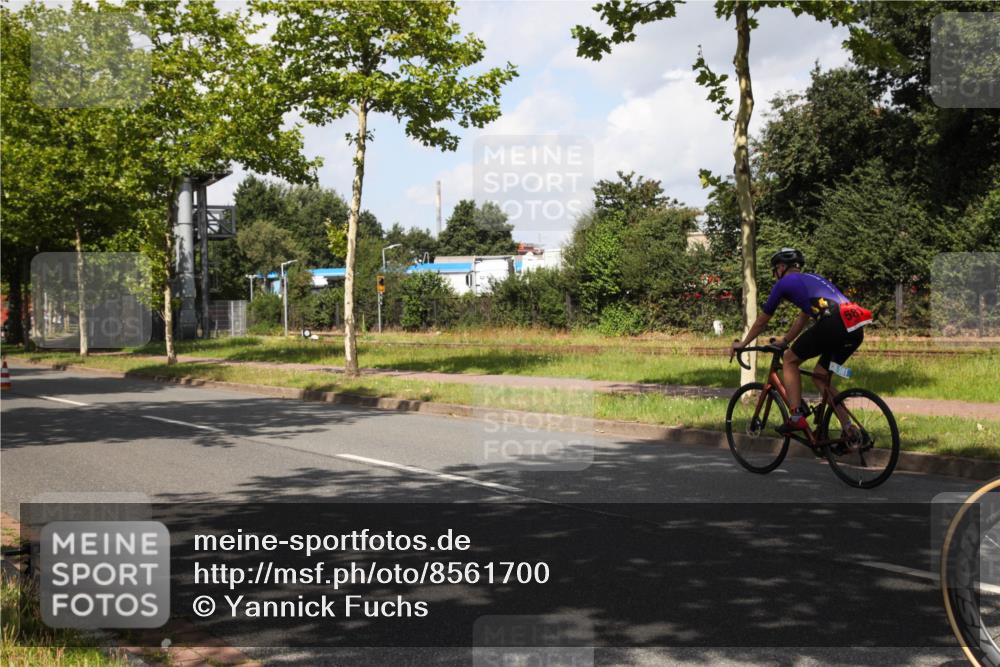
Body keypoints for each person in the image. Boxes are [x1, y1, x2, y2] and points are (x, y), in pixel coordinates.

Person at [731, 248, 872, 434]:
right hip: (855, 327)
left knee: (789, 359)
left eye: (775, 271)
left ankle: (796, 415)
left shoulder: (784, 284)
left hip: (833, 324)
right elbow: (803, 318)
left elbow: (762, 321)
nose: (775, 275)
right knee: (819, 376)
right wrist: (785, 340)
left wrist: (743, 343)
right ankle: (850, 429)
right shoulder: (812, 279)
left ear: (781, 267)